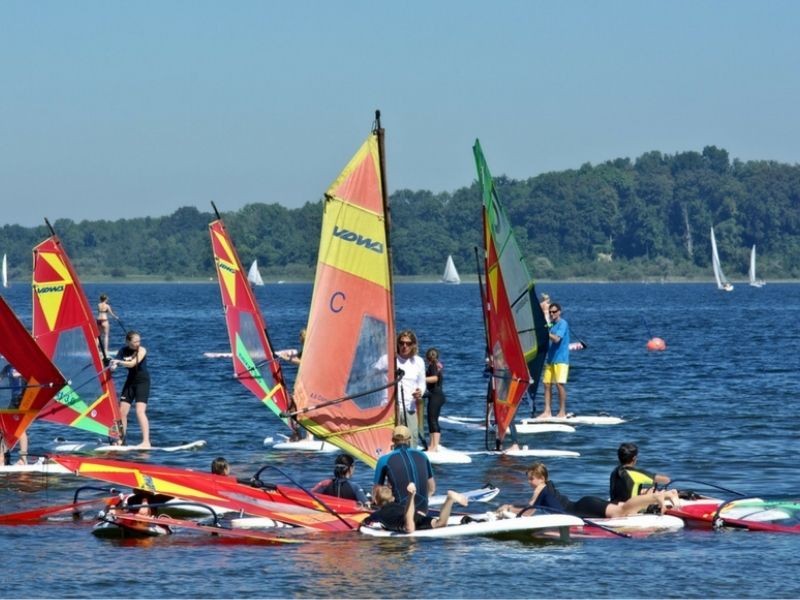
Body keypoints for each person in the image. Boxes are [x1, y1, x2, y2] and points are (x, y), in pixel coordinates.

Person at [496, 462, 680, 520]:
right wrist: (511, 506)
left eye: (531, 478)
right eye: (528, 478)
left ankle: (656, 497)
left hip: (581, 509)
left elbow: (529, 511)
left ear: (541, 478)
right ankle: (659, 496)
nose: (529, 482)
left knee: (620, 511)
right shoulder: (548, 487)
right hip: (584, 504)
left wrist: (506, 510)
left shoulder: (541, 488)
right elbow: (531, 508)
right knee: (622, 509)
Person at [374, 331, 426, 448]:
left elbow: (422, 383)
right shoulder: (387, 359)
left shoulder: (418, 362)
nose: (404, 346)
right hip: (389, 409)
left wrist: (420, 392)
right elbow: (371, 376)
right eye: (401, 343)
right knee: (389, 444)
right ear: (397, 343)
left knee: (411, 443)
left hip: (409, 408)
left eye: (408, 343)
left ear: (413, 345)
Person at [373, 425, 435, 515]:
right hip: (423, 510)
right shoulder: (423, 456)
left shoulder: (384, 460)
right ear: (409, 439)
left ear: (393, 440)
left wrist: (377, 505)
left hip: (401, 515)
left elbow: (376, 493)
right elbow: (432, 488)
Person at [363, 482, 468, 533]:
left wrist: (363, 523)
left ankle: (411, 495)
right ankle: (449, 499)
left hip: (405, 521)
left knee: (409, 528)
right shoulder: (399, 505)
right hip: (413, 514)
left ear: (377, 501)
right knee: (440, 524)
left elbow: (367, 521)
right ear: (393, 498)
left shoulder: (379, 513)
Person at [111, 331, 151, 448]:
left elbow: (133, 363)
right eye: (135, 342)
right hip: (130, 381)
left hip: (142, 382)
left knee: (140, 411)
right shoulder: (122, 351)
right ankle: (121, 440)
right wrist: (113, 365)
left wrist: (119, 362)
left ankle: (146, 442)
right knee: (122, 412)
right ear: (128, 342)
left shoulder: (142, 350)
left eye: (139, 341)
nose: (138, 343)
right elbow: (115, 365)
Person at [538, 302, 570, 419]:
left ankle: (562, 412)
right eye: (551, 312)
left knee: (559, 385)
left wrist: (547, 332)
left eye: (554, 312)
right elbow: (544, 326)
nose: (552, 314)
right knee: (546, 384)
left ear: (559, 312)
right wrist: (544, 310)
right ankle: (547, 411)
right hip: (551, 359)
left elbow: (556, 339)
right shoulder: (551, 324)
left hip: (561, 360)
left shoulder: (563, 324)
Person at [0, 363, 29, 465]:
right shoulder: (7, 367)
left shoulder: (24, 365)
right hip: (14, 400)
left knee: (20, 428)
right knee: (4, 427)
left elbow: (35, 378)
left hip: (24, 399)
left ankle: (23, 458)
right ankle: (3, 457)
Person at [423, 348, 446, 452]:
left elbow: (435, 378)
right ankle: (432, 445)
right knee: (431, 420)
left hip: (436, 395)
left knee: (433, 420)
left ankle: (435, 446)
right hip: (435, 395)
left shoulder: (433, 365)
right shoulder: (436, 365)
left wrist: (420, 378)